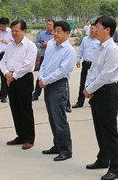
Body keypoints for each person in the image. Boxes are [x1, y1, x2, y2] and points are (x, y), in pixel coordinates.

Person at [83, 16, 118, 180]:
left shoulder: (112, 49)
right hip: (96, 91)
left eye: (97, 27)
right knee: (99, 128)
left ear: (107, 30)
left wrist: (89, 89)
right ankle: (103, 159)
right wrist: (88, 87)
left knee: (109, 130)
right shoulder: (99, 47)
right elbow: (92, 70)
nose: (94, 29)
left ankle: (115, 168)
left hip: (107, 91)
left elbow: (106, 75)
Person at [39, 20, 76, 162]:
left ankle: (66, 150)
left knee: (60, 119)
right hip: (47, 84)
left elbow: (62, 71)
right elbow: (44, 64)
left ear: (67, 33)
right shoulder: (51, 46)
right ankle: (57, 145)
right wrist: (41, 78)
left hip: (58, 85)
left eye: (59, 31)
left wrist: (46, 80)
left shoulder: (69, 51)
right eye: (54, 30)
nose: (55, 33)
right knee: (52, 118)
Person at [0, 19, 37, 149]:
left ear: (24, 31)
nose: (14, 33)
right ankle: (20, 136)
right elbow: (2, 62)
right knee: (15, 108)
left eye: (17, 31)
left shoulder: (30, 46)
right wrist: (7, 74)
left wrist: (13, 76)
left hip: (23, 79)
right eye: (13, 31)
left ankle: (29, 138)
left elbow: (28, 65)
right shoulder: (10, 46)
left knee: (25, 109)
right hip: (10, 79)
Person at [73, 23, 99, 108]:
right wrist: (78, 60)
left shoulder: (99, 40)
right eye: (91, 28)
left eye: (94, 29)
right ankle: (80, 102)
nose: (92, 30)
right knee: (82, 83)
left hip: (94, 65)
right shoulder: (85, 39)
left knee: (93, 83)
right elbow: (81, 50)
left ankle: (93, 101)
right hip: (85, 64)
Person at [32, 19, 55, 101]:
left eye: (50, 25)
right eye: (47, 24)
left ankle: (51, 95)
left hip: (52, 59)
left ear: (53, 26)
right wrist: (41, 45)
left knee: (52, 76)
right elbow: (37, 43)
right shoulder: (42, 34)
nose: (48, 26)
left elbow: (57, 45)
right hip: (43, 58)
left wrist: (47, 44)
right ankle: (36, 94)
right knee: (40, 76)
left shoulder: (55, 35)